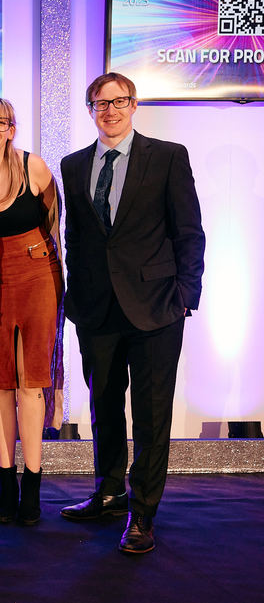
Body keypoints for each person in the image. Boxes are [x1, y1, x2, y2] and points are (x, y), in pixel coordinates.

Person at [59, 72, 205, 553]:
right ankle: (108, 492)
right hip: (96, 309)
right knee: (103, 406)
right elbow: (76, 237)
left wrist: (186, 295)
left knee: (151, 414)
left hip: (157, 307)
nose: (111, 110)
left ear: (134, 105)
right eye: (101, 103)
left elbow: (189, 231)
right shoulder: (73, 165)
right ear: (90, 110)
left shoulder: (167, 156)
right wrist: (76, 294)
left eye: (119, 101)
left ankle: (142, 513)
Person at [0, 97, 63, 525]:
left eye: (0, 122)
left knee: (31, 384)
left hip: (37, 275)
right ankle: (7, 483)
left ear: (12, 129)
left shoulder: (32, 167)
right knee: (2, 383)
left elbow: (55, 226)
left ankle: (33, 483)